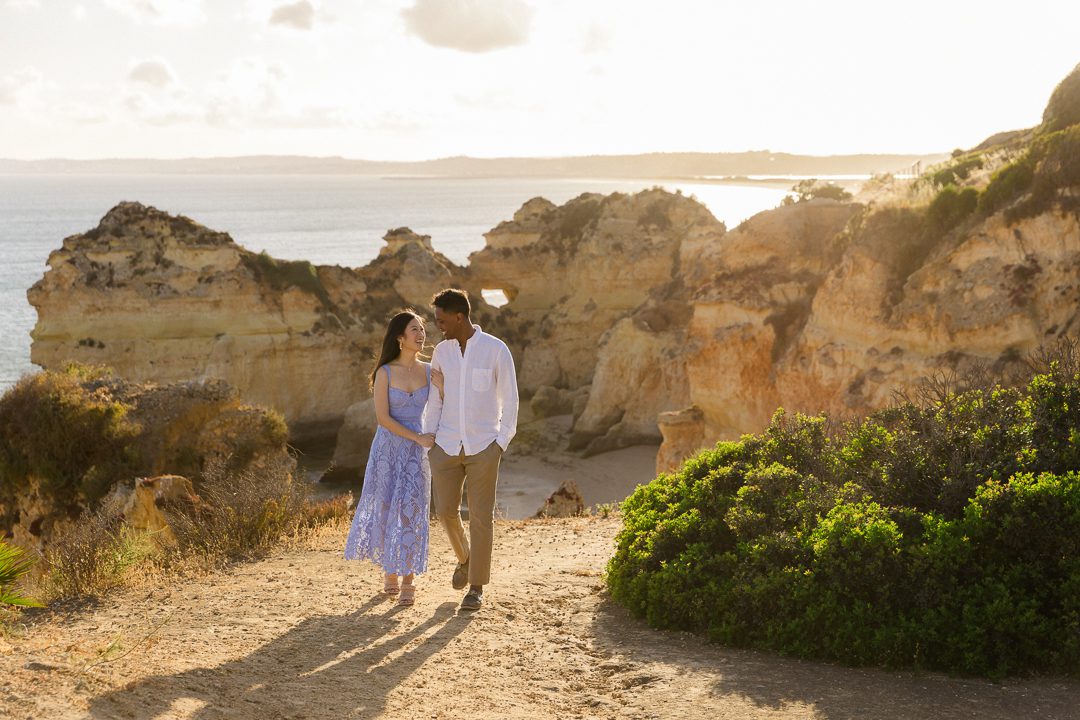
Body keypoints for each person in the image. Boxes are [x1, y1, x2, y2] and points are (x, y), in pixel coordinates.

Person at [423, 288, 519, 611]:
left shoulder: (495, 350)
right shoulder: (442, 352)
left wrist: (500, 443)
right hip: (446, 445)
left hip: (483, 447)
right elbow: (437, 398)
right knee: (445, 512)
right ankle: (466, 558)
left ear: (459, 316)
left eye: (441, 320)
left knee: (481, 517)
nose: (438, 326)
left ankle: (476, 587)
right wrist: (430, 441)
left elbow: (511, 398)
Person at [344, 310, 437, 606]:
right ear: (400, 337)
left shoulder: (429, 370)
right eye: (414, 329)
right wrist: (417, 437)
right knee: (385, 507)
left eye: (422, 329)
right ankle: (390, 571)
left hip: (416, 452)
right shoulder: (383, 373)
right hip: (388, 449)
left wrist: (443, 388)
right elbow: (383, 418)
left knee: (412, 509)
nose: (421, 334)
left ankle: (409, 578)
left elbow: (443, 403)